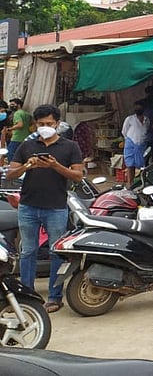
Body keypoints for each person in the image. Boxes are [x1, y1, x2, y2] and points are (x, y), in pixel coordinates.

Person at [5, 104, 83, 313]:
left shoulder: (70, 147)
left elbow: (78, 175)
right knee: (28, 251)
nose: (45, 127)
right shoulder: (26, 146)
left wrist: (56, 166)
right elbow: (10, 174)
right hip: (28, 206)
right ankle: (26, 296)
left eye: (49, 124)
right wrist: (27, 166)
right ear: (35, 125)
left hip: (56, 207)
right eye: (41, 124)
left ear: (57, 124)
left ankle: (55, 297)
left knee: (56, 252)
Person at [121, 101, 150, 185]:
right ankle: (130, 184)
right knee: (130, 165)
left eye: (139, 107)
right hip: (130, 144)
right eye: (136, 107)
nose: (138, 109)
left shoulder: (146, 120)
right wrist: (130, 141)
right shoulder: (129, 119)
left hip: (142, 145)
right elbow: (124, 131)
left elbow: (146, 130)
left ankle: (142, 183)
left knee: (142, 166)